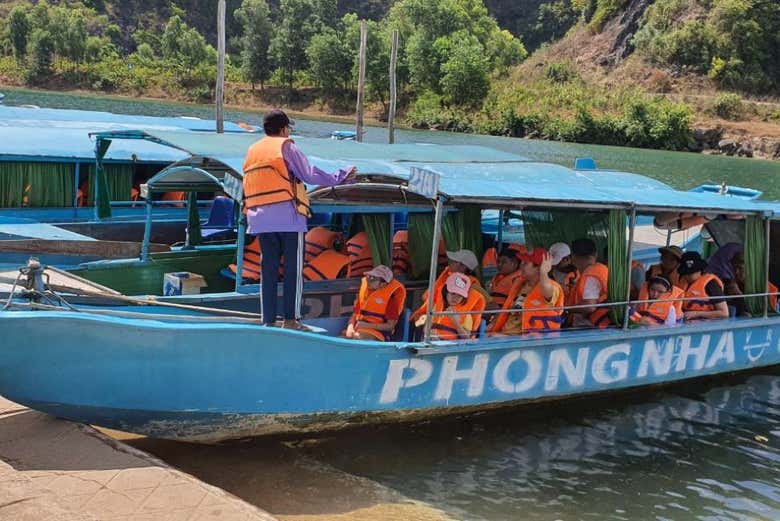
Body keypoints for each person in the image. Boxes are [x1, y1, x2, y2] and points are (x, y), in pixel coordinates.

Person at [243, 109, 356, 329]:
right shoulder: (286, 146)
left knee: (268, 270)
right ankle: (291, 320)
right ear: (283, 129)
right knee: (292, 271)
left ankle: (268, 321)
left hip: (260, 220)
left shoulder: (253, 150)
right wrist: (340, 176)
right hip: (288, 218)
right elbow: (308, 175)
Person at [489, 248, 564, 335]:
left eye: (525, 263)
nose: (521, 266)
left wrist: (543, 272)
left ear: (538, 268)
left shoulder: (552, 287)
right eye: (521, 262)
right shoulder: (521, 284)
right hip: (506, 334)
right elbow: (508, 310)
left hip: (529, 339)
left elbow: (547, 291)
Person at [410, 249, 487, 323]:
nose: (450, 263)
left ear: (463, 267)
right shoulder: (448, 277)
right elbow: (428, 298)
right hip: (435, 318)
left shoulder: (472, 284)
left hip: (452, 324)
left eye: (454, 261)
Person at [344, 265, 407, 341]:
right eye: (369, 276)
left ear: (383, 284)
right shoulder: (364, 295)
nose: (368, 280)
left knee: (358, 338)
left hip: (377, 333)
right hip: (359, 329)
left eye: (373, 278)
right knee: (341, 339)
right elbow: (354, 315)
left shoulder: (391, 301)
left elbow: (390, 326)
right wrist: (350, 327)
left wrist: (367, 325)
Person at [415, 272, 475, 340]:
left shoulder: (467, 315)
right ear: (446, 292)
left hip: (452, 345)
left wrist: (456, 322)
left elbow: (467, 338)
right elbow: (426, 328)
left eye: (460, 296)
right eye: (453, 293)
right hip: (433, 342)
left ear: (463, 298)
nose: (455, 298)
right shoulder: (436, 308)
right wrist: (430, 333)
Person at [567, 238, 610, 328]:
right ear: (595, 254)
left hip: (591, 327)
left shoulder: (591, 275)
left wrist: (566, 309)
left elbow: (590, 306)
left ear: (573, 257)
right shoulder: (603, 269)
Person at [677, 251, 729, 321]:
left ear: (700, 270)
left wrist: (696, 314)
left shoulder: (711, 284)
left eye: (692, 272)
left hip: (707, 323)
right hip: (686, 322)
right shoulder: (683, 282)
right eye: (685, 273)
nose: (688, 276)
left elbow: (724, 313)